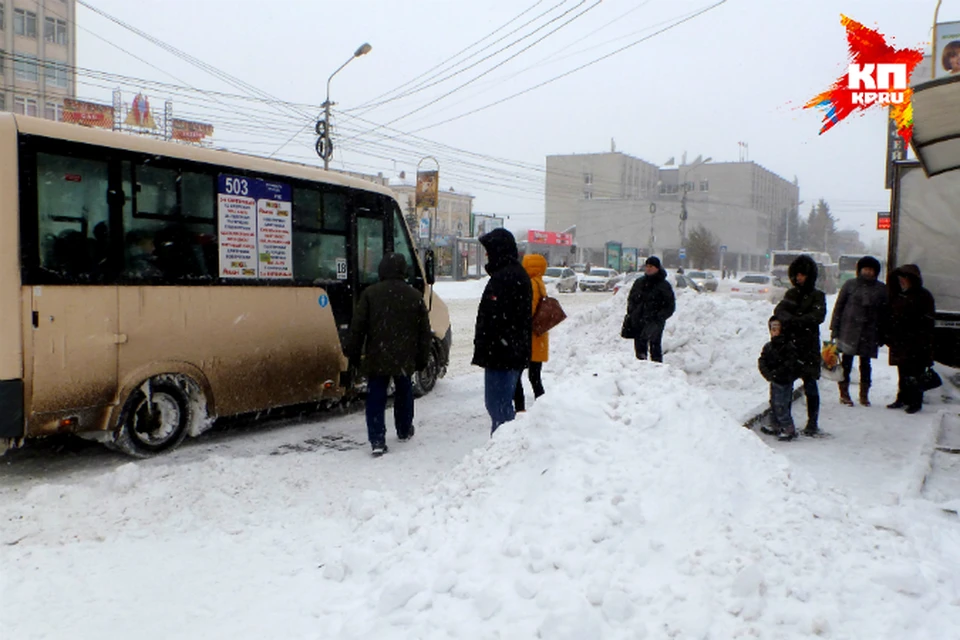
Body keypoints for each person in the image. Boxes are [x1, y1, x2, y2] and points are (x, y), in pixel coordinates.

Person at [346, 253, 432, 456]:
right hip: (404, 358)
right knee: (404, 392)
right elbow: (424, 334)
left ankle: (377, 439)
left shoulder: (370, 294)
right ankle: (404, 429)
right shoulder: (413, 295)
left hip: (378, 356)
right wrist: (421, 359)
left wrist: (354, 355)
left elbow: (358, 328)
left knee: (376, 396)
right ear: (404, 271)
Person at [472, 228, 532, 435]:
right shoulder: (509, 273)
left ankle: (503, 447)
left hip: (502, 354)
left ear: (499, 250)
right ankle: (503, 447)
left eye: (489, 250)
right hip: (505, 352)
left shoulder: (507, 277)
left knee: (498, 407)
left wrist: (492, 344)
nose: (487, 255)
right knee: (499, 406)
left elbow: (500, 319)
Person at [774, 255, 827, 436]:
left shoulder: (817, 296)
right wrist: (793, 320)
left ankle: (812, 423)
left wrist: (794, 320)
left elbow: (817, 317)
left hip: (809, 347)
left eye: (802, 275)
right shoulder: (791, 294)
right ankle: (785, 422)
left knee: (810, 385)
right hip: (791, 348)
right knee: (786, 385)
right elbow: (779, 311)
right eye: (796, 275)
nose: (799, 278)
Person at [829, 256, 888, 406]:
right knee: (846, 364)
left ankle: (864, 395)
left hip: (869, 332)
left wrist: (882, 334)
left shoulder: (881, 289)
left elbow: (884, 313)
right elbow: (839, 308)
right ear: (859, 270)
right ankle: (844, 394)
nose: (868, 272)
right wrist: (835, 329)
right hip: (848, 331)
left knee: (865, 364)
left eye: (871, 270)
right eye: (865, 269)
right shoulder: (850, 285)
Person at [886, 264, 936, 414]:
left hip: (916, 342)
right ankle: (902, 397)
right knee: (903, 371)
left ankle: (915, 401)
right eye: (900, 278)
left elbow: (927, 321)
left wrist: (921, 338)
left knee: (915, 372)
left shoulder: (923, 296)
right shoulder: (898, 295)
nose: (902, 281)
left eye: (905, 278)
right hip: (900, 341)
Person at [623, 256, 676, 362]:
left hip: (655, 321)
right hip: (638, 319)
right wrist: (632, 313)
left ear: (657, 268)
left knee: (654, 345)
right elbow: (632, 299)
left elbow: (670, 305)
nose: (648, 269)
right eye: (647, 266)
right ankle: (641, 368)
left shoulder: (663, 285)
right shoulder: (639, 282)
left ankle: (657, 368)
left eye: (651, 266)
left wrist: (659, 317)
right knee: (639, 347)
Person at [514, 253, 549, 412]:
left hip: (530, 337)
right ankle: (542, 406)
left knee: (516, 376)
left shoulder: (531, 284)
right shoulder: (540, 282)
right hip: (539, 337)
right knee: (535, 377)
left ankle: (520, 409)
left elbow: (529, 309)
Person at [758, 316, 800, 441]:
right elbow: (762, 360)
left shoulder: (788, 347)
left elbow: (790, 363)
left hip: (784, 380)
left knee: (782, 404)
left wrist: (779, 373)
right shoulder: (769, 347)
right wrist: (768, 373)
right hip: (774, 380)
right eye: (772, 328)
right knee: (774, 402)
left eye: (777, 328)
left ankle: (788, 427)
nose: (775, 331)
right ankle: (775, 424)